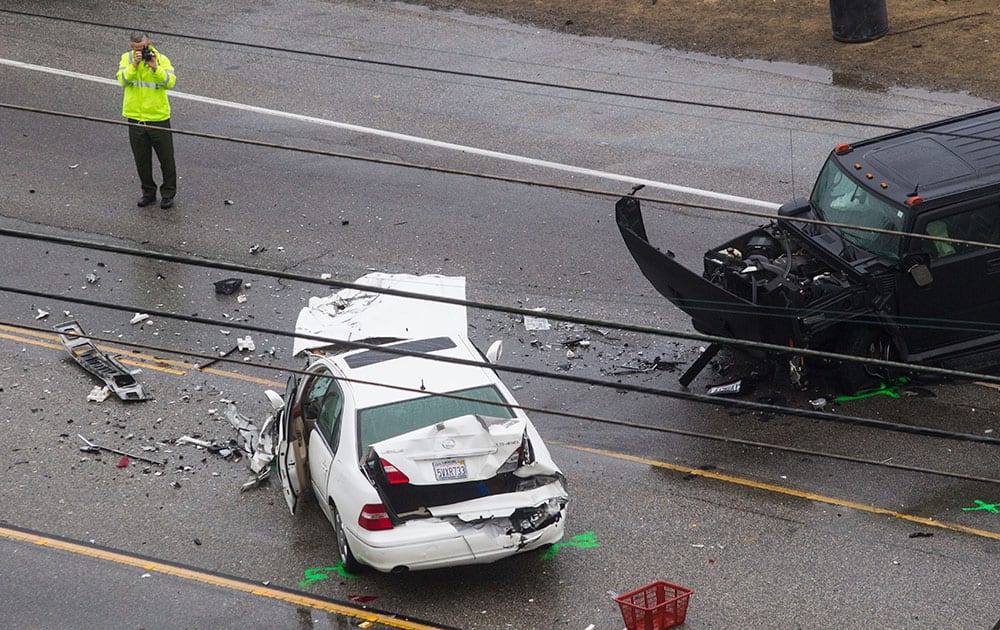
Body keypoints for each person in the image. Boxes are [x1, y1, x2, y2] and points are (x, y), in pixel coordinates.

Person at [116, 32, 177, 209]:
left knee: (166, 160)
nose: (140, 52)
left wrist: (155, 68)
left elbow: (170, 82)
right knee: (141, 160)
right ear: (131, 47)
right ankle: (148, 193)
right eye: (136, 49)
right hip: (135, 118)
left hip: (158, 118)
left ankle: (168, 194)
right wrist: (134, 65)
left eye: (142, 48)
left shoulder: (161, 59)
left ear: (148, 44)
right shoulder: (126, 59)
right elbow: (123, 80)